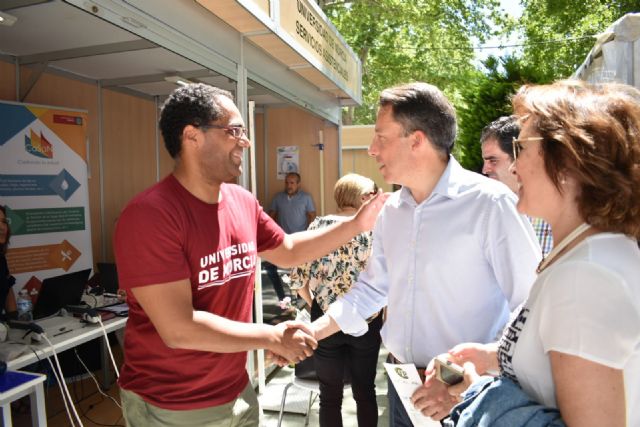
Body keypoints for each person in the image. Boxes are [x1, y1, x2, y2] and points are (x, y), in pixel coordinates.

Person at [113, 83, 387, 427]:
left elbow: (287, 251)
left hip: (238, 390)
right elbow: (178, 328)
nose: (245, 140)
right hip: (175, 404)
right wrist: (272, 337)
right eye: (234, 131)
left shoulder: (241, 201)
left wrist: (358, 224)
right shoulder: (151, 215)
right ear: (191, 136)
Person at [310, 82, 541, 425]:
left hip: (463, 392)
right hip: (401, 385)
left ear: (416, 140)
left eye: (381, 137)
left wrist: (465, 379)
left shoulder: (490, 204)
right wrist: (311, 333)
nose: (372, 150)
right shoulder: (391, 211)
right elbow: (373, 289)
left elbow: (530, 307)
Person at [445, 81, 640, 426]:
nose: (514, 167)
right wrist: (494, 357)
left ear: (566, 161)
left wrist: (475, 395)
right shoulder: (587, 255)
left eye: (520, 148)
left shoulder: (585, 277)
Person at [289, 173, 382, 427]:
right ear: (361, 197)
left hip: (324, 318)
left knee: (329, 395)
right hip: (367, 318)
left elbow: (299, 282)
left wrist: (317, 308)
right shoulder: (372, 230)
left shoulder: (318, 226)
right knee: (365, 391)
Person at [481, 115, 554, 257]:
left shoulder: (556, 215)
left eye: (493, 160)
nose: (485, 170)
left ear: (519, 157)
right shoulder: (486, 213)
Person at [265, 172, 316, 301]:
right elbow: (270, 216)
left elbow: (312, 216)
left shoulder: (306, 198)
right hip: (283, 240)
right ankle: (282, 298)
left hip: (300, 240)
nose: (289, 185)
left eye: (292, 183)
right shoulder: (278, 198)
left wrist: (308, 234)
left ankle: (300, 299)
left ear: (298, 184)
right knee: (272, 268)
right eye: (287, 182)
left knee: (299, 271)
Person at [0, 206, 17, 319]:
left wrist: (15, 321)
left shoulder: (1, 259)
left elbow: (7, 287)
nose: (2, 228)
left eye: (4, 222)